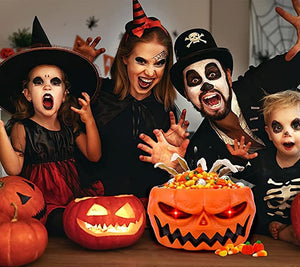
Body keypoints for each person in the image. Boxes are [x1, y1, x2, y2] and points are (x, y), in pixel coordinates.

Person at [137, 0, 300, 172]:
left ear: (228, 76)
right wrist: (178, 167)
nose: (206, 85)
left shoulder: (259, 83)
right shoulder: (202, 147)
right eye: (194, 80)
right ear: (186, 94)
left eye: (212, 74)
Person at [73, 0, 189, 204]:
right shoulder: (98, 94)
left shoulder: (166, 110)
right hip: (97, 206)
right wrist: (80, 66)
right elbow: (57, 107)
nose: (150, 72)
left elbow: (176, 178)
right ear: (125, 58)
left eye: (159, 63)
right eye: (141, 61)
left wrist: (175, 159)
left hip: (149, 209)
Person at [0, 17, 104, 235]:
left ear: (65, 94)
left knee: (90, 215)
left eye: (55, 82)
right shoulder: (23, 127)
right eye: (38, 81)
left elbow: (93, 155)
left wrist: (89, 120)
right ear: (28, 94)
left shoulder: (68, 125)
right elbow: (13, 169)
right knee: (61, 223)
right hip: (41, 203)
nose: (47, 85)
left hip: (72, 196)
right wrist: (0, 129)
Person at [228, 90, 300, 246]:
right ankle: (281, 232)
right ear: (269, 133)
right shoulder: (259, 161)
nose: (287, 132)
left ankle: (290, 232)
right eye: (278, 127)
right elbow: (233, 186)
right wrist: (237, 161)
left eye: (296, 125)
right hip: (263, 231)